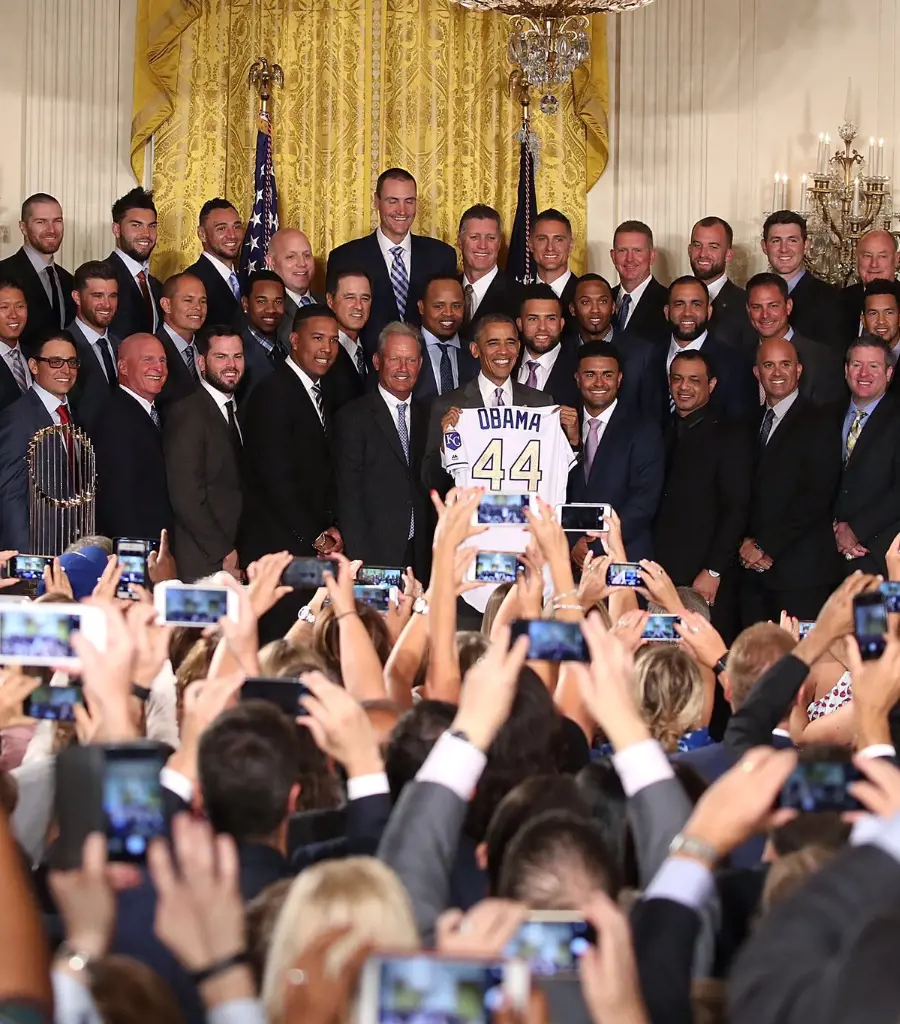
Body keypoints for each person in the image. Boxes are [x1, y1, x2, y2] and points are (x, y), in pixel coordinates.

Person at [740, 337, 843, 624]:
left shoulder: (820, 422)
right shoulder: (749, 422)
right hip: (750, 573)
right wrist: (746, 544)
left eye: (785, 364)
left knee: (799, 665)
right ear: (756, 372)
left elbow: (816, 497)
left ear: (799, 370)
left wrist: (764, 546)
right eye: (768, 365)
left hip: (801, 575)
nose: (777, 372)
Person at [238, 303, 343, 565]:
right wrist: (316, 537)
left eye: (333, 340)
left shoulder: (325, 391)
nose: (327, 349)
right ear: (294, 340)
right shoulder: (272, 393)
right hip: (278, 551)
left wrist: (332, 527)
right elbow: (276, 479)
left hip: (310, 547)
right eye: (318, 338)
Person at [653, 349, 752, 610]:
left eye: (694, 380)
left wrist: (714, 570)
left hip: (704, 576)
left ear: (712, 384)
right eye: (677, 379)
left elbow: (736, 508)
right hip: (660, 571)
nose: (684, 387)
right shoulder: (660, 431)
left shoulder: (730, 434)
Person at [334, 322, 432, 578]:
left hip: (421, 554)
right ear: (377, 361)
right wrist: (361, 562)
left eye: (410, 360)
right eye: (395, 359)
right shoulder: (353, 417)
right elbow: (348, 497)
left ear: (420, 364)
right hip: (373, 555)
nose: (403, 368)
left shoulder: (430, 416)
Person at [422, 312, 557, 496]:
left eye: (510, 343)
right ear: (475, 350)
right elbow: (431, 481)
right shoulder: (448, 405)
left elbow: (555, 473)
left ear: (518, 348)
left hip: (523, 519)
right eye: (493, 343)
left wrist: (572, 442)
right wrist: (446, 449)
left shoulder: (541, 404)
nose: (503, 351)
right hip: (471, 520)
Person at [326, 168, 457, 357]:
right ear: (376, 201)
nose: (401, 210)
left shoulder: (441, 256)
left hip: (428, 371)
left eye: (409, 201)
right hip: (365, 372)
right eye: (393, 201)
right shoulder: (345, 257)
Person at [567, 341, 664, 565]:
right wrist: (573, 542)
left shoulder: (644, 429)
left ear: (619, 379)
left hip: (623, 558)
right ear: (577, 378)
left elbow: (643, 503)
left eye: (607, 375)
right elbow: (559, 492)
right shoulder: (562, 424)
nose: (599, 382)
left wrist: (594, 545)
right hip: (571, 561)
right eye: (590, 374)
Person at [163, 325, 245, 582]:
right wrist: (224, 550)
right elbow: (186, 496)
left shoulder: (235, 409)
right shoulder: (189, 413)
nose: (231, 364)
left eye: (237, 356)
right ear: (201, 362)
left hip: (231, 553)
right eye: (221, 357)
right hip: (203, 559)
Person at [0, 330, 82, 552]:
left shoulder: (72, 413)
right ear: (34, 366)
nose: (66, 370)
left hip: (70, 547)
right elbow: (11, 496)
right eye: (55, 362)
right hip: (37, 550)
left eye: (72, 362)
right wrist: (24, 560)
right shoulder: (17, 418)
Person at [92, 332, 172, 541]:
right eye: (148, 360)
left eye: (162, 360)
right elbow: (118, 499)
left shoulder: (159, 412)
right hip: (136, 549)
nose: (159, 368)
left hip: (159, 544)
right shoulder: (113, 418)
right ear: (123, 367)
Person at [832, 334, 900, 576]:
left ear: (889, 373)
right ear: (846, 370)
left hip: (881, 559)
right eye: (857, 365)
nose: (864, 374)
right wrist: (836, 530)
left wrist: (856, 530)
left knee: (878, 616)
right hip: (828, 559)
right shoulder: (827, 414)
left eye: (874, 366)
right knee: (831, 617)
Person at [657, 276, 756, 423]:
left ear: (709, 311)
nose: (687, 313)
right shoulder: (647, 355)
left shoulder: (735, 363)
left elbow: (741, 426)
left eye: (696, 304)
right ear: (667, 312)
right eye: (679, 304)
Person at [568, 272, 662, 420]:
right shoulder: (563, 351)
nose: (595, 310)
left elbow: (654, 416)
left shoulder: (643, 353)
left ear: (613, 307)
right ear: (573, 309)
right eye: (586, 302)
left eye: (603, 301)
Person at [745, 272, 846, 406]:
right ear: (748, 310)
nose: (765, 315)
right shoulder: (741, 357)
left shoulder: (823, 358)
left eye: (773, 306)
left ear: (788, 306)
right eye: (757, 307)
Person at [760, 210, 844, 352]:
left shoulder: (831, 298)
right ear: (764, 246)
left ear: (806, 245)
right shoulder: (753, 297)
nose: (784, 249)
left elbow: (832, 358)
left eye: (792, 240)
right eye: (776, 241)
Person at [0, 194, 74, 348]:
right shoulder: (3, 273)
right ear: (23, 227)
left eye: (57, 221)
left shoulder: (69, 280)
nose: (51, 229)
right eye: (41, 222)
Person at [688, 216, 757, 359]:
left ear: (728, 254)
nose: (703, 254)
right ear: (689, 250)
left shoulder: (746, 305)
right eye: (697, 245)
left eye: (713, 247)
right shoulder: (672, 299)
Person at [66, 260, 120, 429]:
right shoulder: (62, 347)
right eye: (97, 296)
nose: (107, 305)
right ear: (77, 297)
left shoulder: (122, 346)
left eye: (112, 296)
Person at [412, 274, 480, 402]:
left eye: (456, 306)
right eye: (439, 306)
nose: (448, 313)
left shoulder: (475, 355)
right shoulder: (405, 353)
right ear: (421, 307)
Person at [107, 187, 162, 338]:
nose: (146, 234)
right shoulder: (103, 277)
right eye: (136, 225)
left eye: (152, 226)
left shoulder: (157, 287)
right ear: (116, 229)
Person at [458, 204, 523, 331]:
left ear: (499, 243)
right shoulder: (447, 287)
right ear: (459, 241)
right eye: (474, 237)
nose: (483, 246)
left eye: (491, 238)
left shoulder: (520, 297)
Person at [515, 283, 579, 408]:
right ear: (520, 324)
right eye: (533, 319)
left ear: (561, 324)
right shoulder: (505, 362)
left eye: (550, 319)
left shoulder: (579, 366)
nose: (542, 327)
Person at [183, 198, 245, 326]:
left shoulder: (246, 280)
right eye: (222, 228)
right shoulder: (191, 280)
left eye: (237, 226)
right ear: (202, 234)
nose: (232, 235)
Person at [610, 219, 669, 346]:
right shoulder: (605, 299)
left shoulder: (668, 300)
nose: (629, 259)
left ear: (652, 256)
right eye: (622, 251)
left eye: (637, 251)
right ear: (613, 256)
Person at [265, 228, 322, 352]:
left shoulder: (329, 303)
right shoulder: (269, 313)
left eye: (307, 255)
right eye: (291, 257)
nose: (302, 263)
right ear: (271, 262)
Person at [156, 272, 207, 407]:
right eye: (188, 300)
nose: (198, 307)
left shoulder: (208, 347)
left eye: (203, 301)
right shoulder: (152, 350)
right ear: (166, 305)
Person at [324, 267, 371, 411]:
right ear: (330, 301)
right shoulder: (323, 354)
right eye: (350, 297)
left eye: (365, 298)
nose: (358, 306)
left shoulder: (374, 349)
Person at [840, 228, 900, 340]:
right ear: (856, 259)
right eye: (867, 256)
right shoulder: (838, 301)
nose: (874, 264)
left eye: (882, 256)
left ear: (897, 260)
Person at [239, 269, 286, 399]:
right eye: (262, 301)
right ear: (245, 304)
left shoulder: (288, 349)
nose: (271, 309)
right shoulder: (238, 354)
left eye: (278, 302)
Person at [528, 209, 579, 313]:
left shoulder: (583, 296)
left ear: (570, 245)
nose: (550, 248)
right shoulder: (518, 296)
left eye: (558, 239)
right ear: (530, 245)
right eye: (542, 239)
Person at [861, 280, 900, 394]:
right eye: (873, 313)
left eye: (889, 313)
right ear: (863, 320)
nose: (881, 321)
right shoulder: (853, 356)